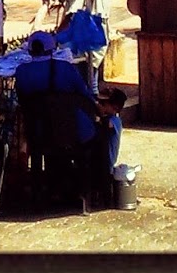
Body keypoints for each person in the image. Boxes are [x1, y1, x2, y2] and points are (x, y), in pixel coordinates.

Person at [14, 33, 114, 204]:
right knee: (104, 134)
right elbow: (85, 94)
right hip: (71, 132)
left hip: (38, 135)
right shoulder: (66, 69)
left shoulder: (21, 72)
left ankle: (43, 191)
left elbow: (21, 99)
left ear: (30, 50)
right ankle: (101, 190)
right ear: (52, 50)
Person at [57, 0, 115, 91]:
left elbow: (73, 13)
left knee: (86, 83)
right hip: (100, 32)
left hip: (88, 35)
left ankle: (90, 111)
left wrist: (57, 34)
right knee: (91, 79)